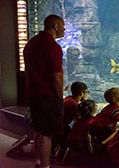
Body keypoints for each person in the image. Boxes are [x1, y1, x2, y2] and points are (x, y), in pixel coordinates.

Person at [23, 14, 65, 168]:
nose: (64, 29)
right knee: (47, 133)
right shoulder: (53, 47)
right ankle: (45, 166)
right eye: (63, 26)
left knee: (39, 129)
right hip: (47, 96)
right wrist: (60, 97)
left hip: (32, 93)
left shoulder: (31, 43)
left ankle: (38, 161)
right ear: (55, 26)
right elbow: (56, 76)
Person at [52, 81, 89, 151]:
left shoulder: (69, 99)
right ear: (81, 93)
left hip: (56, 126)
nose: (87, 94)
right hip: (57, 128)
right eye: (87, 92)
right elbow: (79, 120)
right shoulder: (73, 104)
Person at [88, 87, 119, 153]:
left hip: (92, 125)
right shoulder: (116, 108)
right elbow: (114, 128)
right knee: (118, 131)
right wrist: (112, 137)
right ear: (114, 99)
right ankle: (103, 143)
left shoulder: (108, 106)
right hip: (99, 128)